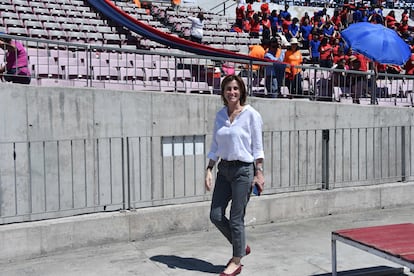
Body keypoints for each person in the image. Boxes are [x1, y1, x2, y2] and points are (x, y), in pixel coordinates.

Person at [205, 74, 264, 276]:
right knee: (215, 215)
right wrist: (209, 169)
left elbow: (257, 147)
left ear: (241, 92)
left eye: (235, 89)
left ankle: (236, 261)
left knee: (236, 218)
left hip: (243, 170)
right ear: (223, 92)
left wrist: (259, 173)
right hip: (224, 169)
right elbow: (215, 145)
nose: (232, 92)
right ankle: (241, 246)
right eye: (228, 88)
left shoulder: (251, 115)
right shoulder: (220, 115)